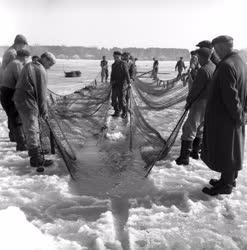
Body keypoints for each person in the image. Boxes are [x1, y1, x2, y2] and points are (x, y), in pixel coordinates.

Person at [201, 36, 247, 196]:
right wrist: (243, 114)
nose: (216, 53)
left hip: (226, 118)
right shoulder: (239, 62)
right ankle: (228, 179)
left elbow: (231, 97)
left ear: (222, 48)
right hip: (234, 116)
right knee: (231, 150)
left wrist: (239, 116)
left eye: (216, 49)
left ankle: (226, 185)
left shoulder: (227, 65)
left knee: (226, 150)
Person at [13, 52, 56, 170]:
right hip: (27, 100)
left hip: (20, 98)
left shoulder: (30, 64)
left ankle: (36, 152)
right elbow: (41, 94)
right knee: (32, 128)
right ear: (45, 59)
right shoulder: (40, 70)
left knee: (30, 127)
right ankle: (36, 159)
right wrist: (44, 111)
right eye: (50, 63)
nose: (50, 67)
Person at [176, 48, 215, 165]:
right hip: (209, 102)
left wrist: (189, 101)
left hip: (199, 102)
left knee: (189, 128)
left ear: (201, 57)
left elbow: (195, 89)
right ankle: (195, 152)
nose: (196, 60)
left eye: (197, 58)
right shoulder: (214, 67)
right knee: (200, 128)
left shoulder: (203, 70)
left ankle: (184, 158)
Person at [0, 49, 30, 149]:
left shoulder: (12, 63)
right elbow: (21, 80)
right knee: (17, 118)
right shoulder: (17, 64)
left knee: (12, 117)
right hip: (10, 93)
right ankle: (22, 144)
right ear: (25, 57)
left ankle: (14, 137)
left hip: (5, 92)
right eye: (27, 58)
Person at [110, 51, 131, 119]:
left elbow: (127, 73)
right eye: (114, 57)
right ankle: (117, 111)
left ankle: (124, 112)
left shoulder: (123, 64)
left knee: (121, 100)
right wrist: (111, 82)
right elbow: (112, 75)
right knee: (113, 99)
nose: (116, 58)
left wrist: (129, 83)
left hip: (122, 84)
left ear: (120, 57)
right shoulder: (113, 65)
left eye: (117, 57)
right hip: (114, 84)